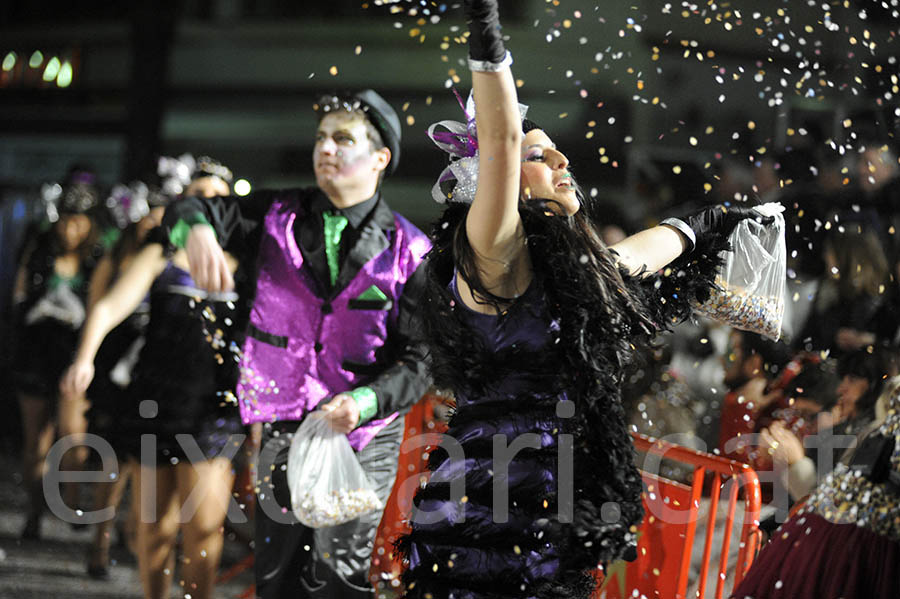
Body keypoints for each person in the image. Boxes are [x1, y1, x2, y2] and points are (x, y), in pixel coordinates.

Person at [394, 2, 772, 597]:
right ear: (500, 176)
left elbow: (636, 257)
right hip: (489, 506)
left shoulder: (575, 271)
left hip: (557, 500)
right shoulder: (493, 247)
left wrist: (704, 224)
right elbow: (498, 135)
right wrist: (488, 44)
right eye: (540, 156)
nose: (564, 160)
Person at [162, 90, 431, 598]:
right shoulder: (274, 214)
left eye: (342, 139)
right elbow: (188, 206)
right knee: (277, 573)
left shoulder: (410, 251)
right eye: (321, 137)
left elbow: (422, 360)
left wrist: (364, 401)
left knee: (338, 575)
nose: (325, 148)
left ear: (380, 158)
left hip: (365, 435)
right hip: (283, 424)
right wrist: (197, 229)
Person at [60, 175, 243, 599]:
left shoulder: (244, 261)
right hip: (155, 403)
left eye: (219, 196)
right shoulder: (161, 254)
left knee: (202, 524)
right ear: (186, 203)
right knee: (153, 525)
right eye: (200, 195)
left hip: (214, 408)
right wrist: (84, 357)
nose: (209, 203)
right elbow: (108, 306)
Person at [731, 375, 900, 599]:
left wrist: (796, 463)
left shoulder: (863, 434)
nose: (843, 388)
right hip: (834, 547)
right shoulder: (863, 437)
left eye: (853, 380)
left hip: (836, 547)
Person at [12, 167, 102, 539]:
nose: (70, 230)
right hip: (35, 352)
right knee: (36, 439)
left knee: (72, 434)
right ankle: (34, 510)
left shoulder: (97, 258)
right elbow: (17, 298)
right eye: (65, 221)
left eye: (78, 222)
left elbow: (101, 306)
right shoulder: (37, 251)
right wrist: (34, 308)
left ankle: (72, 496)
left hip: (73, 354)